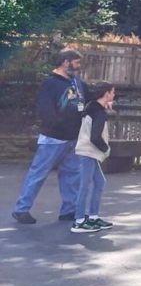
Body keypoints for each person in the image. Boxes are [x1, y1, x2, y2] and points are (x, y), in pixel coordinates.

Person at [11, 49, 91, 224]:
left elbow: (89, 101)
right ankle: (21, 209)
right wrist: (58, 125)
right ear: (65, 62)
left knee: (72, 175)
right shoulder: (50, 84)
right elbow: (46, 110)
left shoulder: (77, 82)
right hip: (53, 138)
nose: (78, 66)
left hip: (73, 138)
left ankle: (69, 210)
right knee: (38, 173)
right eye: (76, 63)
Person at [71, 83, 115, 233]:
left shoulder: (93, 106)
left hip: (89, 151)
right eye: (112, 92)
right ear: (107, 93)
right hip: (88, 151)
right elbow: (95, 137)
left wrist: (106, 107)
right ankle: (79, 221)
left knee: (99, 181)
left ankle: (93, 217)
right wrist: (106, 149)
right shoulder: (99, 112)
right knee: (85, 185)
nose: (114, 95)